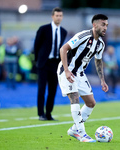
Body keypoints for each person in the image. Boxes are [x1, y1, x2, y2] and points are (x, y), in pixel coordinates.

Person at [57, 14, 108, 142]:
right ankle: (82, 134)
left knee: (91, 103)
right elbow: (63, 49)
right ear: (94, 25)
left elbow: (98, 61)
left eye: (106, 25)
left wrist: (102, 80)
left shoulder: (100, 44)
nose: (105, 28)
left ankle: (74, 130)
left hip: (80, 73)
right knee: (74, 99)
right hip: (67, 70)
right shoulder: (83, 36)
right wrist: (67, 71)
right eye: (103, 24)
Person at [34, 7, 67, 121]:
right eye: (57, 15)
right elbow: (36, 46)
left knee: (53, 90)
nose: (58, 17)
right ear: (52, 16)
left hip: (55, 64)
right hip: (44, 63)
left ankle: (48, 113)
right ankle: (40, 114)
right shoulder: (43, 29)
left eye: (60, 16)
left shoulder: (63, 31)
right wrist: (37, 61)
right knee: (41, 89)